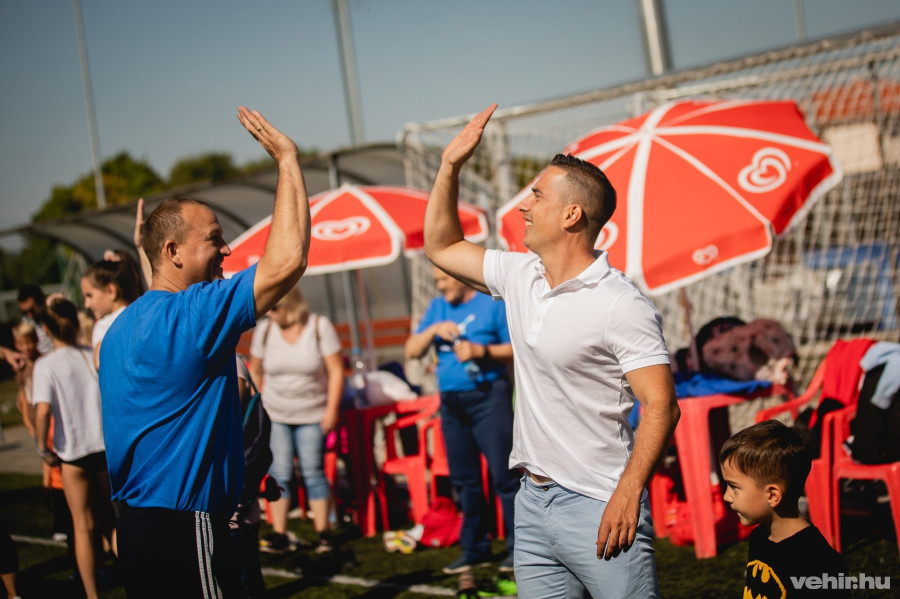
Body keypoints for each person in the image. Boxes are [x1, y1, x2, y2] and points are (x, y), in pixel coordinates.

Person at [422, 104, 680, 598]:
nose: (524, 205)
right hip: (531, 505)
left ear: (571, 214)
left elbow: (662, 405)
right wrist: (450, 165)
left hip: (601, 503)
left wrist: (628, 493)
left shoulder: (620, 303)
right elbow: (441, 246)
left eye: (537, 195)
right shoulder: (521, 275)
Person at [99, 106, 311, 598]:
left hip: (135, 527)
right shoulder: (194, 314)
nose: (227, 250)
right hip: (186, 525)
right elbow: (288, 261)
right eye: (214, 239)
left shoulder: (121, 329)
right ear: (172, 252)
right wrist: (287, 159)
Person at [405, 266, 517, 574]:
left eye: (444, 279)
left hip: (488, 398)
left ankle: (519, 549)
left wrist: (481, 350)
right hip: (452, 403)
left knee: (504, 477)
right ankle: (476, 548)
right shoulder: (437, 307)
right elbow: (411, 350)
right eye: (436, 281)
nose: (440, 286)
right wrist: (433, 330)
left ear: (460, 275)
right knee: (465, 480)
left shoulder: (491, 304)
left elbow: (517, 349)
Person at [249, 286, 343, 554]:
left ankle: (324, 532)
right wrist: (254, 407)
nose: (270, 313)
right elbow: (255, 371)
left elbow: (336, 371)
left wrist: (332, 408)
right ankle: (279, 533)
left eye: (275, 307)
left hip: (312, 413)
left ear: (291, 306)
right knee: (279, 471)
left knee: (313, 470)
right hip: (276, 413)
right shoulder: (264, 331)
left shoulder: (319, 327)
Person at [33, 297, 113, 599]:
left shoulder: (46, 365)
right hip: (102, 448)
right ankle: (141, 582)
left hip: (73, 454)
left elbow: (42, 411)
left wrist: (42, 448)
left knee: (83, 527)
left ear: (46, 329)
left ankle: (92, 594)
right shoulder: (90, 354)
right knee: (111, 523)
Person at [720, 420, 849, 598]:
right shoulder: (759, 536)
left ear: (772, 495)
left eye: (734, 487)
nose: (726, 496)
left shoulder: (817, 562)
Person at [80, 250, 145, 369]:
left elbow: (99, 362)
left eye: (89, 295)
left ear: (111, 291)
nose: (86, 304)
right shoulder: (142, 311)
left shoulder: (104, 325)